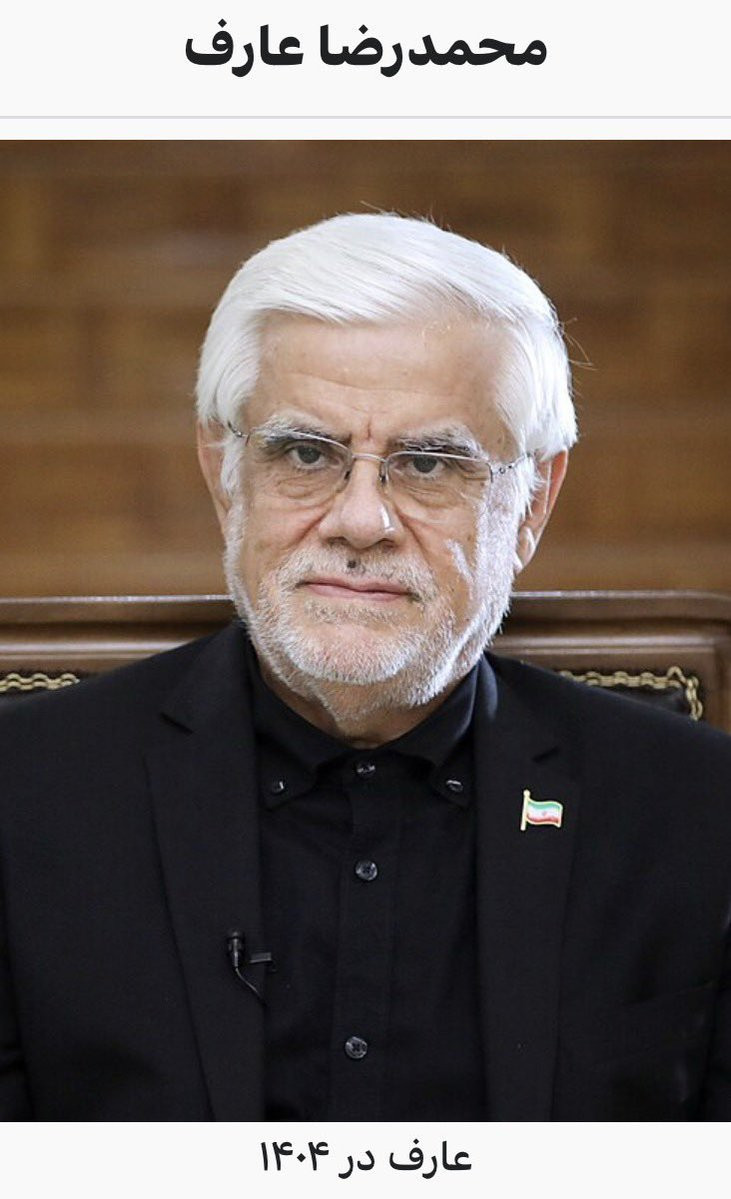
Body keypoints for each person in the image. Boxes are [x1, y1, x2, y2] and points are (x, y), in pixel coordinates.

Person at [1, 213, 730, 1121]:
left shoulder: (701, 813)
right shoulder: (22, 794)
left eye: (428, 463)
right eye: (305, 454)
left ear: (532, 501)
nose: (360, 521)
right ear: (223, 471)